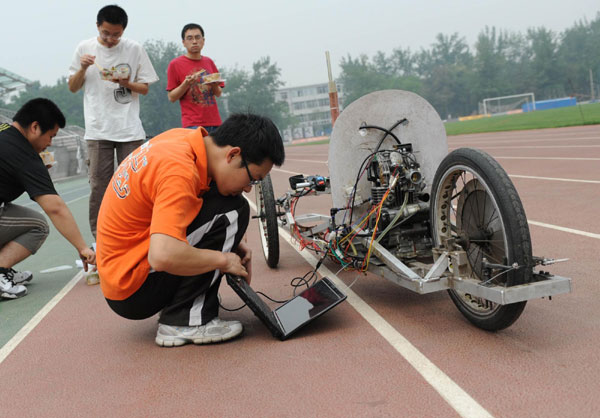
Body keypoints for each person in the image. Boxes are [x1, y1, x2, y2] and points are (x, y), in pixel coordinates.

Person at [96, 113, 285, 346]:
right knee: (234, 210)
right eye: (252, 179)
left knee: (227, 208)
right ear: (233, 154)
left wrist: (229, 240)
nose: (248, 188)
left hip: (122, 274)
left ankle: (182, 311)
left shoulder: (182, 141)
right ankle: (185, 321)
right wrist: (222, 259)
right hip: (133, 289)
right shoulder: (179, 170)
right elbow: (162, 255)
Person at [68, 4, 159, 238]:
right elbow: (72, 87)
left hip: (129, 130)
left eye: (116, 34)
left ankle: (139, 233)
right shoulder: (84, 49)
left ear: (123, 31)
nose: (110, 39)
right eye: (106, 33)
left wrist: (126, 83)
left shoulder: (134, 49)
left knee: (136, 185)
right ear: (98, 26)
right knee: (99, 187)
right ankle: (101, 239)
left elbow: (145, 88)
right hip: (98, 131)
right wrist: (83, 67)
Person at [0, 99, 96, 300]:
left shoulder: (5, 132)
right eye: (50, 136)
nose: (50, 143)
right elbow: (55, 208)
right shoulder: (24, 155)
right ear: (35, 127)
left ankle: (3, 269)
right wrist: (83, 248)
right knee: (38, 226)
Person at [167, 23, 224, 132]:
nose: (194, 41)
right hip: (192, 124)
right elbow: (171, 97)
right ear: (183, 42)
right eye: (190, 38)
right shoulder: (175, 64)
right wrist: (186, 84)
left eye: (197, 37)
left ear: (203, 40)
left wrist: (214, 85)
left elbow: (218, 93)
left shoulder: (209, 62)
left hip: (215, 122)